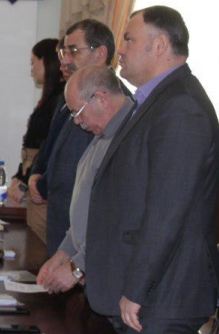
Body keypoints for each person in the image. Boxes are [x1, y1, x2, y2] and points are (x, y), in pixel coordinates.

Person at [84, 6, 219, 334]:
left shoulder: (181, 107)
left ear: (159, 45)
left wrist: (137, 289)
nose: (121, 49)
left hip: (162, 296)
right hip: (148, 292)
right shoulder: (156, 99)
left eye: (129, 39)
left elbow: (167, 211)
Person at [36, 65, 132, 295]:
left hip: (117, 281)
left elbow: (119, 219)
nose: (77, 122)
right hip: (93, 272)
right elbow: (86, 211)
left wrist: (77, 268)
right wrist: (63, 254)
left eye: (77, 112)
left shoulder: (130, 136)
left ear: (101, 99)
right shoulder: (102, 133)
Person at [27, 19, 118, 250]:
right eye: (63, 52)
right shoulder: (67, 96)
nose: (65, 60)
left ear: (100, 54)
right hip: (58, 217)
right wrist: (37, 173)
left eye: (74, 51)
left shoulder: (113, 100)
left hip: (83, 229)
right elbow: (51, 144)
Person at [7, 38, 63, 240]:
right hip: (31, 176)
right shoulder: (50, 97)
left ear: (46, 61)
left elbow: (47, 149)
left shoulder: (61, 98)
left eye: (33, 62)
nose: (31, 69)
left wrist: (24, 181)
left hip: (41, 184)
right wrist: (19, 175)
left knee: (39, 244)